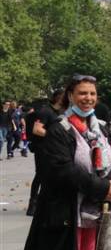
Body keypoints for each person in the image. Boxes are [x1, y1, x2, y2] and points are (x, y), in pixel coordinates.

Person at [14, 74, 111, 250]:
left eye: (92, 93)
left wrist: (110, 183)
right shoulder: (59, 128)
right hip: (65, 211)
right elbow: (63, 171)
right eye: (82, 93)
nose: (88, 98)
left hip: (92, 208)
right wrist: (104, 187)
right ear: (71, 96)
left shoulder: (100, 128)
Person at [24, 89, 64, 217]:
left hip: (52, 148)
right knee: (41, 175)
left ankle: (46, 203)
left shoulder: (57, 112)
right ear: (59, 98)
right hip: (43, 149)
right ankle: (32, 205)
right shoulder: (45, 111)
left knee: (52, 175)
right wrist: (55, 136)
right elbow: (37, 130)